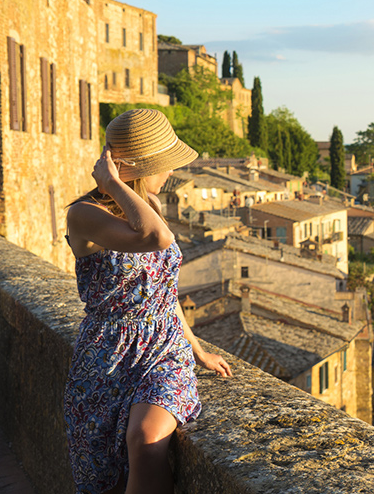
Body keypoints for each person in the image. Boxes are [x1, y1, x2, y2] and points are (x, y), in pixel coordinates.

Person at [63, 109, 232, 494]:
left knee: (145, 438)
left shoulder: (150, 207)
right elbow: (158, 240)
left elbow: (161, 293)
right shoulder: (84, 215)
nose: (170, 172)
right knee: (105, 475)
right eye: (164, 164)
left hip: (163, 350)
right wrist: (111, 183)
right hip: (105, 358)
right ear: (136, 168)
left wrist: (198, 350)